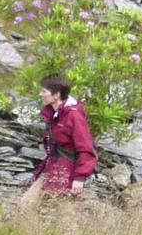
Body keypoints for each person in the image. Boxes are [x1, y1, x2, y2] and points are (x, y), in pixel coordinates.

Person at [22, 73, 97, 206]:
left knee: (57, 213)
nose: (40, 94)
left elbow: (86, 149)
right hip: (51, 168)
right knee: (26, 206)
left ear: (56, 95)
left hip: (66, 174)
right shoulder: (53, 114)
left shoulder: (74, 117)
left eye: (44, 91)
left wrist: (79, 179)